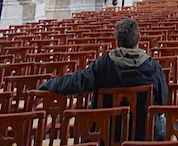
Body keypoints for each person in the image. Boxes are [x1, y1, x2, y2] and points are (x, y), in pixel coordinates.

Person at [38, 17, 167, 140]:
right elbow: (162, 103)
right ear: (139, 38)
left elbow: (77, 81)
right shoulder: (153, 67)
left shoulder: (103, 64)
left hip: (106, 131)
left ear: (117, 41)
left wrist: (48, 84)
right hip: (142, 133)